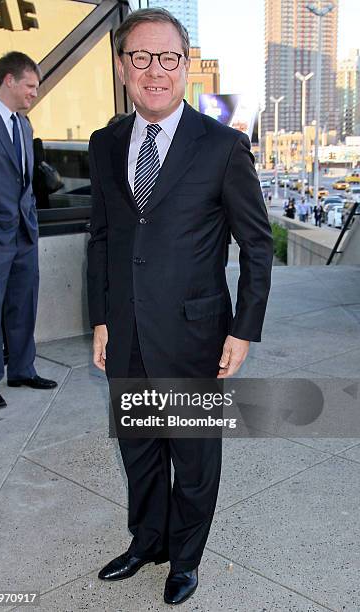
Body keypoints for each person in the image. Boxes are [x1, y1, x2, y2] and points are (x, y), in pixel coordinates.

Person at [87, 8, 273, 606]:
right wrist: (100, 316)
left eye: (167, 58)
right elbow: (103, 238)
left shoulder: (222, 146)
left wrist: (243, 330)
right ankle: (148, 541)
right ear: (122, 68)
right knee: (139, 449)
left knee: (192, 460)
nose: (154, 70)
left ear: (185, 66)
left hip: (196, 336)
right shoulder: (106, 142)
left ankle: (185, 557)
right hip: (127, 334)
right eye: (140, 58)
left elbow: (257, 244)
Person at [0, 52, 57, 410]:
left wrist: (32, 222)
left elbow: (25, 181)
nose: (34, 93)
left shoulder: (24, 125)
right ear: (8, 80)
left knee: (24, 304)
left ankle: (22, 369)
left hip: (24, 232)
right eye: (30, 85)